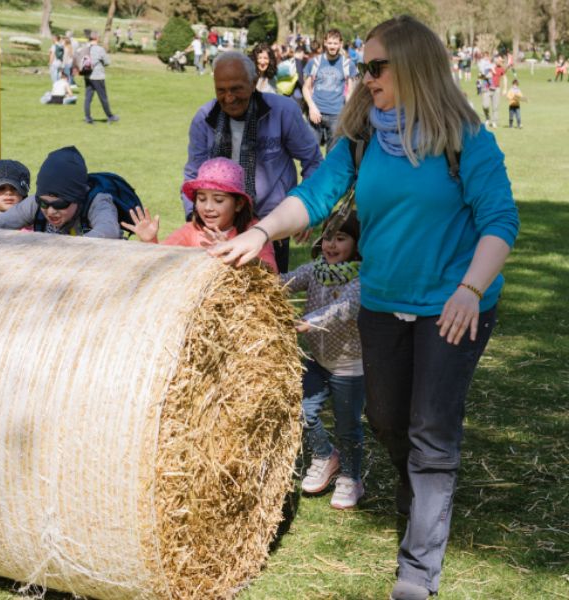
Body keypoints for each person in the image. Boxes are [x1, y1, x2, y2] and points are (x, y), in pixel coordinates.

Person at [209, 15, 519, 599]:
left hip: (454, 307)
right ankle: (424, 496)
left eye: (376, 67)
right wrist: (261, 232)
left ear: (413, 67)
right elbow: (316, 193)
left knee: (430, 432)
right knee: (385, 421)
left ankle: (417, 572)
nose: (364, 76)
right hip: (382, 303)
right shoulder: (363, 136)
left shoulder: (465, 138)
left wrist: (470, 289)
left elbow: (500, 221)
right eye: (362, 65)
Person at [182, 50, 322, 272]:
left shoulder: (283, 112)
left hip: (272, 224)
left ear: (254, 81)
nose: (229, 97)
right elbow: (193, 174)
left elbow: (312, 160)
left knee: (268, 292)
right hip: (219, 229)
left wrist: (306, 209)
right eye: (221, 90)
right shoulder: (204, 119)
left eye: (236, 88)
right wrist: (194, 218)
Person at [282, 211, 364, 509]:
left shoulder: (361, 279)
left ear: (357, 244)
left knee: (348, 426)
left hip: (349, 366)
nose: (330, 244)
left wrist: (310, 321)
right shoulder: (315, 270)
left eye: (340, 238)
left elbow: (345, 308)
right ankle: (324, 456)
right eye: (327, 236)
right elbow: (286, 281)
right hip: (317, 359)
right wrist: (256, 274)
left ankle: (351, 477)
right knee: (303, 410)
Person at [124, 157, 277, 272]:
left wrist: (232, 254)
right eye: (202, 199)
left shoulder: (254, 233)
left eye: (218, 200)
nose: (208, 207)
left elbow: (270, 275)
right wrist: (150, 241)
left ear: (238, 204)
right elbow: (162, 263)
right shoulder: (190, 231)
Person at [0, 146, 120, 239]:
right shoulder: (34, 204)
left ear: (78, 197)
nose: (51, 212)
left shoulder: (98, 202)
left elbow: (108, 230)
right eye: (44, 203)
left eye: (60, 204)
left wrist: (62, 249)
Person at [303, 29, 358, 151]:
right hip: (315, 114)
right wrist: (311, 107)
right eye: (330, 43)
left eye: (335, 43)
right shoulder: (314, 62)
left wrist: (349, 112)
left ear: (340, 44)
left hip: (336, 116)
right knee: (311, 153)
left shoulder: (348, 64)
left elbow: (350, 92)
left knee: (333, 155)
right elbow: (306, 88)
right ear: (325, 43)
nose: (332, 46)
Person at [81, 31, 118, 124]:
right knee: (103, 98)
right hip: (97, 76)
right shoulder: (99, 49)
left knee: (88, 98)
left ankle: (88, 117)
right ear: (97, 38)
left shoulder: (85, 48)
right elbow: (107, 62)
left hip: (87, 75)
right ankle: (110, 116)